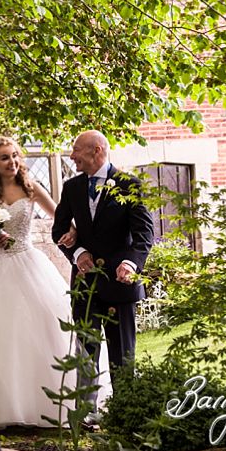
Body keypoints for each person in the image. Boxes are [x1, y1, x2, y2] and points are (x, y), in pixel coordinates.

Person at [0, 136, 108, 428]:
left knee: (43, 329)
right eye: (5, 158)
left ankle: (53, 402)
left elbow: (61, 218)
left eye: (15, 156)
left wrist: (73, 235)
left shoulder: (31, 187)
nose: (12, 162)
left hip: (28, 262)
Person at [51, 130, 154, 423]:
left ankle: (125, 413)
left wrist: (131, 264)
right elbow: (58, 231)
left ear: (97, 150)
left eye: (76, 150)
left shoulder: (129, 184)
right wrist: (78, 252)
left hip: (120, 284)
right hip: (85, 284)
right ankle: (87, 413)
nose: (72, 156)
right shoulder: (71, 188)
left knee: (123, 352)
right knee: (85, 350)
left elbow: (145, 233)